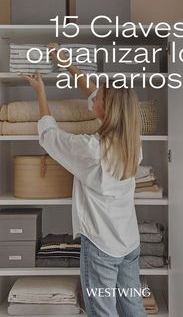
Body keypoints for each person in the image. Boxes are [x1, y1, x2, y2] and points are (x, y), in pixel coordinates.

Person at [22, 44, 147, 317]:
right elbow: (93, 93)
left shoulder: (91, 149)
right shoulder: (132, 142)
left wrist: (41, 92)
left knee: (102, 312)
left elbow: (49, 137)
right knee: (133, 308)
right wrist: (67, 64)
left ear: (106, 109)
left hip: (102, 245)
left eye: (98, 99)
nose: (93, 99)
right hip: (128, 242)